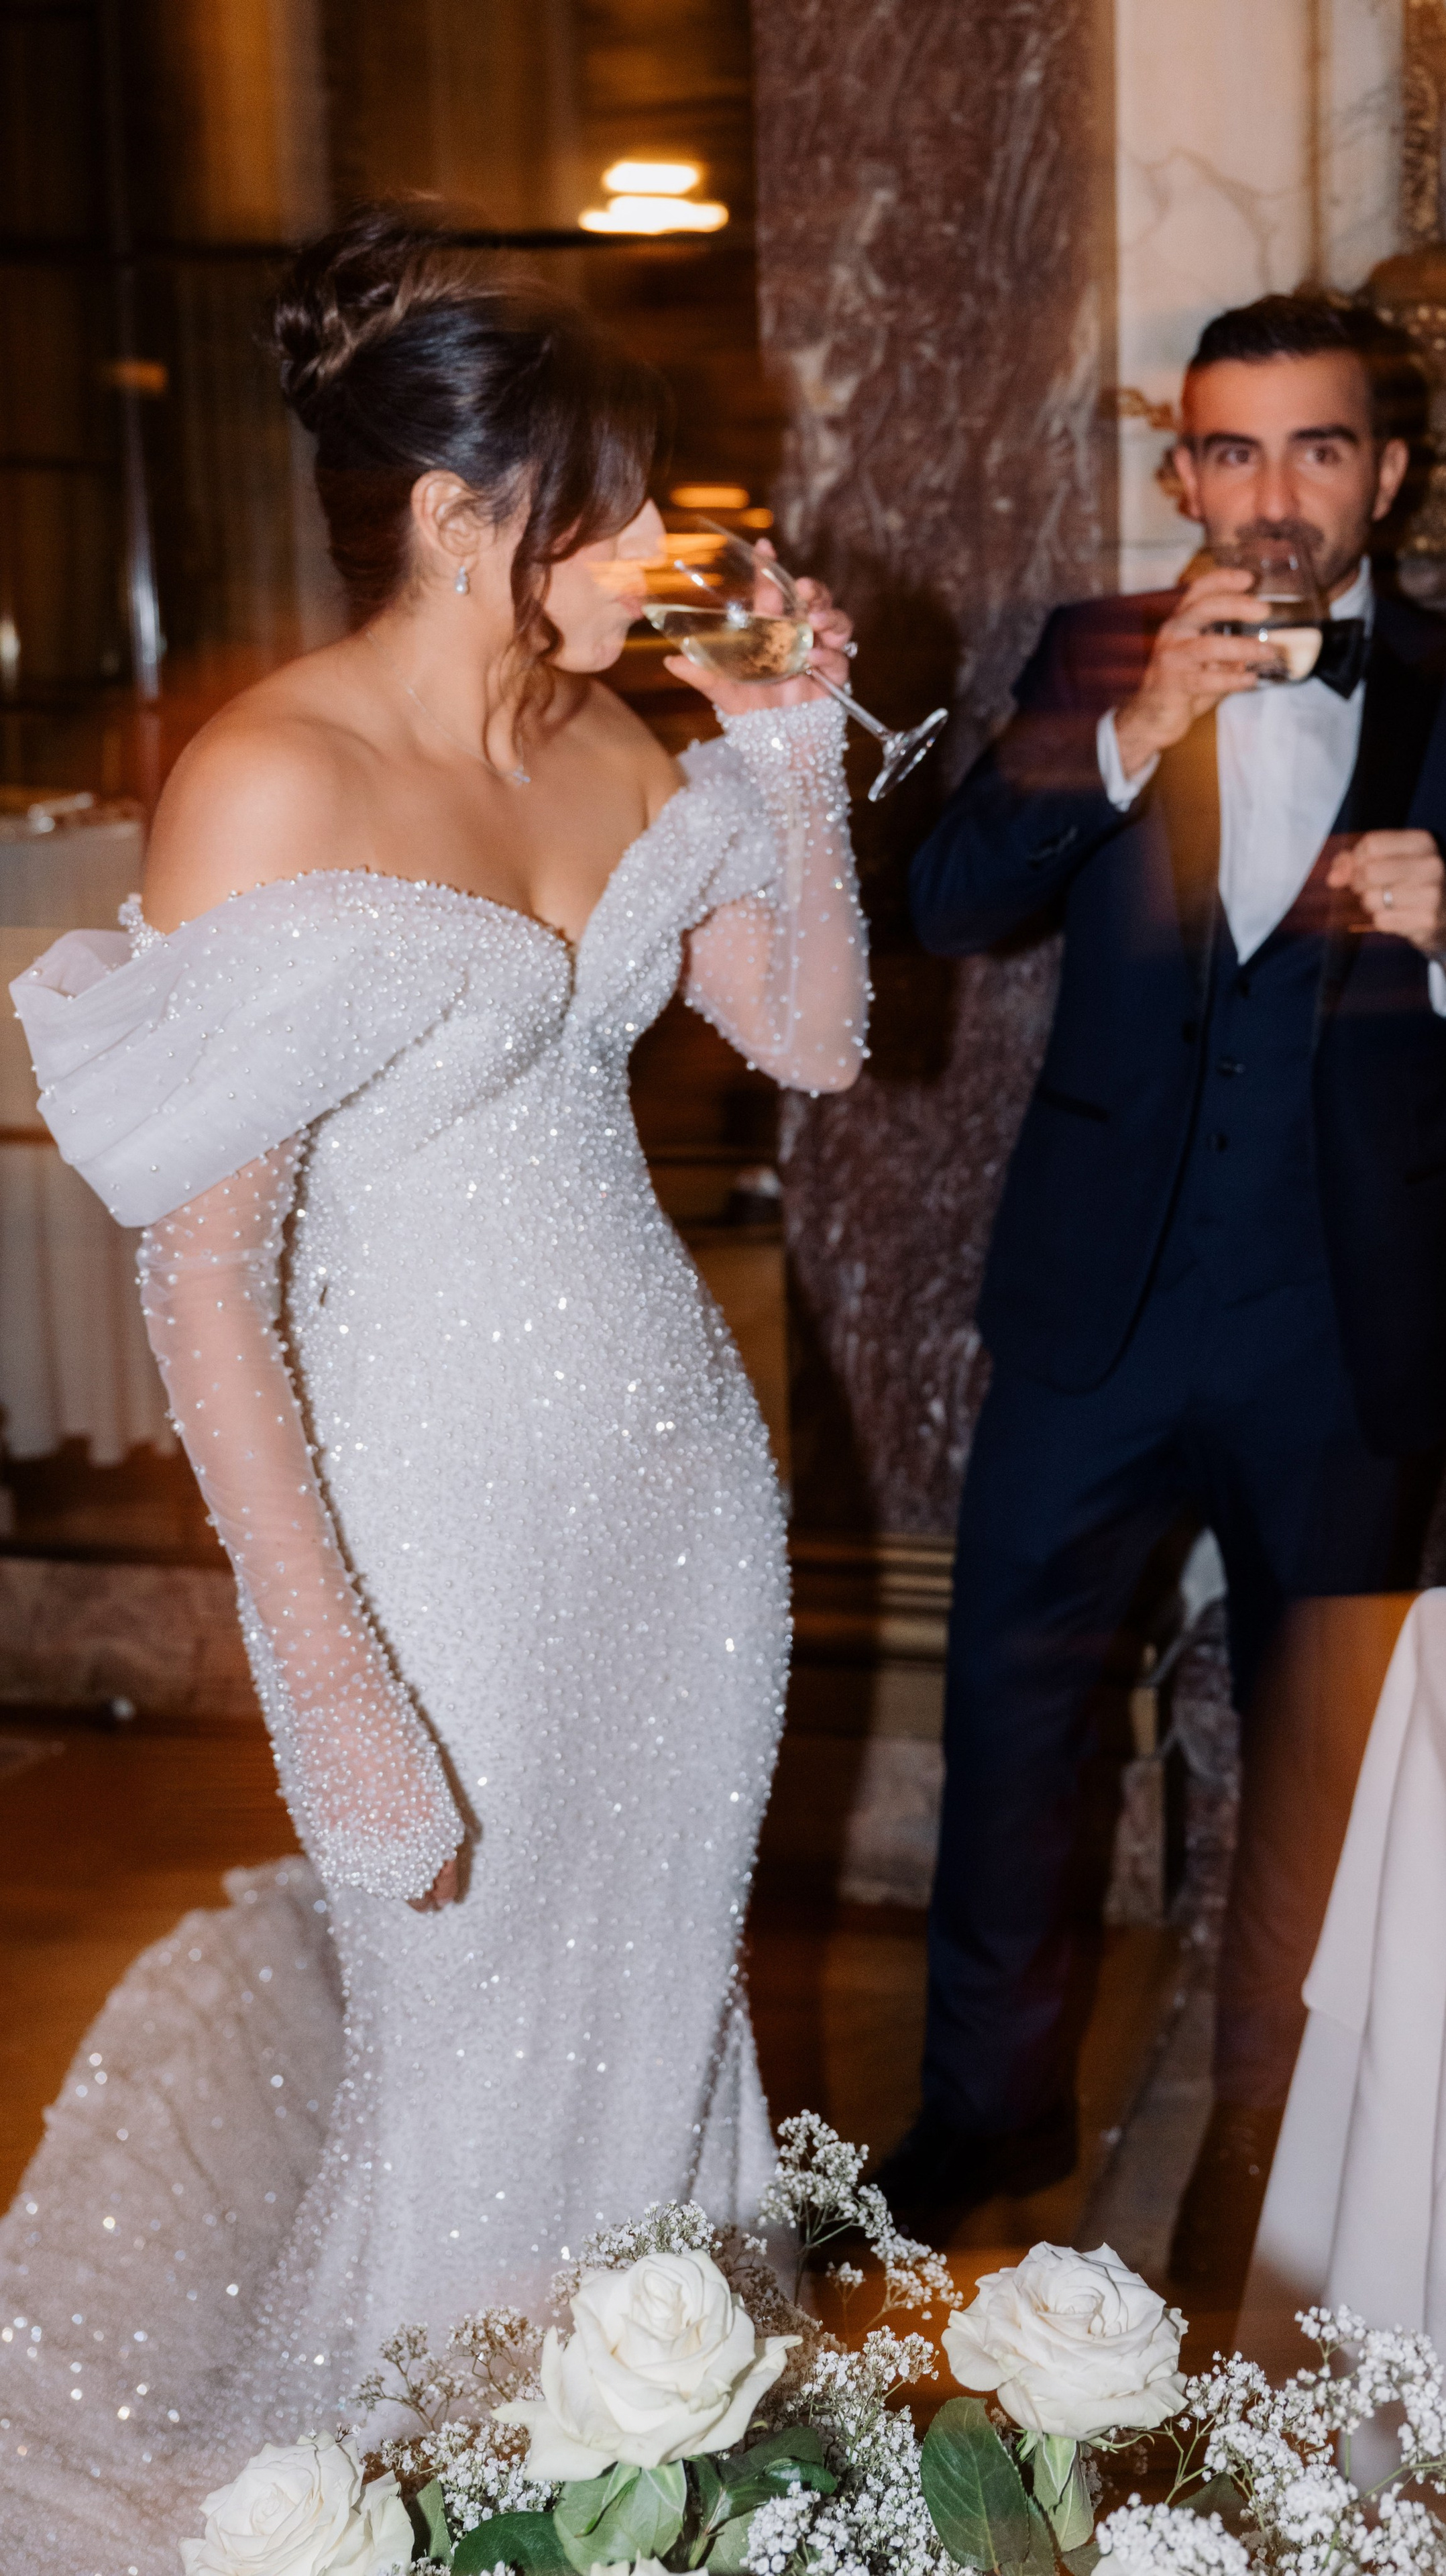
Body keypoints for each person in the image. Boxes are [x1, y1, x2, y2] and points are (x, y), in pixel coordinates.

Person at [0, 203, 866, 2565]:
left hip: (673, 1496)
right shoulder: (271, 781)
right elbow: (208, 1290)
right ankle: (423, 2523)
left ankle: (646, 2500)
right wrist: (337, 1679)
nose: (662, 543)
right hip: (433, 1526)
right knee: (474, 2063)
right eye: (617, 498)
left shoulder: (601, 739)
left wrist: (787, 755)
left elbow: (805, 1032)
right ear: (462, 511)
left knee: (668, 2028)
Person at [879, 294, 1446, 2269]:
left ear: (1385, 471)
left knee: (1317, 1761)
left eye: (1315, 450)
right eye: (1229, 451)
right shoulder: (1087, 658)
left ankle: (1270, 2148)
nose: (1270, 493)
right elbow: (948, 904)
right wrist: (1130, 739)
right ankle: (983, 2118)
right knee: (1016, 1727)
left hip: (1345, 1334)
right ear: (1181, 470)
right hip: (1092, 1316)